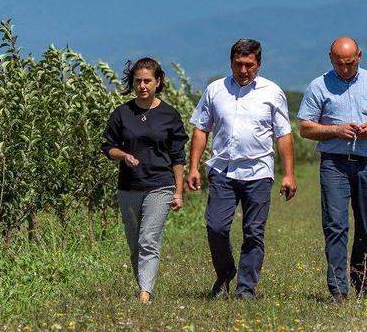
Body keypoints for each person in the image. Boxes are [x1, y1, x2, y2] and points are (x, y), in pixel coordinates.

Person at [187, 39, 297, 300]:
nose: (243, 70)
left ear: (259, 64)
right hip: (223, 170)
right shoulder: (215, 90)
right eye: (238, 64)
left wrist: (289, 173)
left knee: (254, 232)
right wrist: (193, 167)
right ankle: (225, 275)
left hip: (258, 172)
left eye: (249, 65)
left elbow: (283, 135)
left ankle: (246, 289)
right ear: (231, 63)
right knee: (216, 227)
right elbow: (201, 129)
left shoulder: (272, 92)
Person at [298, 37, 367, 301]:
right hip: (334, 164)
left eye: (350, 63)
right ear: (330, 58)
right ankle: (338, 288)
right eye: (339, 63)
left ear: (360, 57)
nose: (345, 68)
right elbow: (305, 128)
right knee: (335, 225)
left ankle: (362, 278)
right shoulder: (318, 86)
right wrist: (336, 130)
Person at [100, 57, 189, 304]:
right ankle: (143, 283)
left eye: (147, 81)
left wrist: (178, 192)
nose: (142, 86)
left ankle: (145, 293)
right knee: (135, 243)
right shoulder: (121, 114)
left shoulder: (169, 115)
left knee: (148, 239)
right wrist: (124, 155)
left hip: (160, 185)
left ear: (157, 81)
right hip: (129, 187)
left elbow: (177, 156)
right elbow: (108, 147)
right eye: (138, 81)